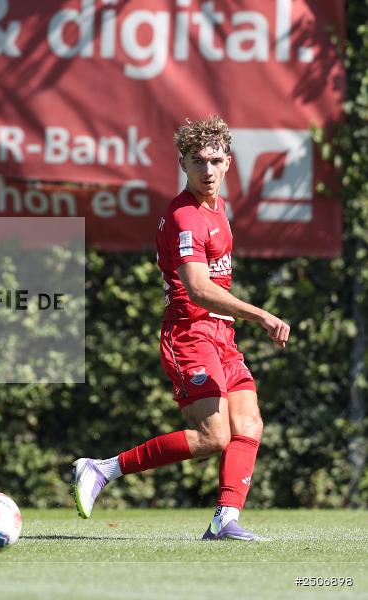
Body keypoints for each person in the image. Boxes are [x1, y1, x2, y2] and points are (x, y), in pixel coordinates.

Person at [71, 116, 290, 541]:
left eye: (214, 161)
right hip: (190, 333)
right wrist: (260, 314)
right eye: (197, 162)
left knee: (249, 425)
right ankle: (103, 468)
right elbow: (198, 289)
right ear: (182, 164)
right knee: (213, 436)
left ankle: (225, 520)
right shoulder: (186, 216)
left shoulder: (218, 208)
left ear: (228, 163)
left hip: (221, 335)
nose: (206, 171)